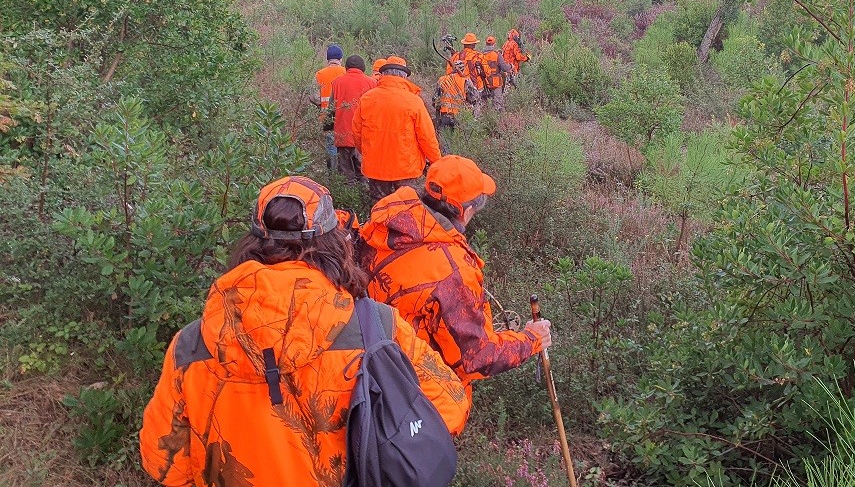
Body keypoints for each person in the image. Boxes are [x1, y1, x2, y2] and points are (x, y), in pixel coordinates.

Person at [139, 175, 469, 487]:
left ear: (252, 246)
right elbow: (449, 410)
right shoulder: (377, 330)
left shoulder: (191, 345)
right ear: (335, 245)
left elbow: (162, 461)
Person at [358, 155, 552, 402]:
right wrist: (532, 339)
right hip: (417, 393)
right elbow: (475, 358)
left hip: (372, 366)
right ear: (466, 211)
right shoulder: (453, 271)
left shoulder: (386, 224)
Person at [352, 55, 442, 205]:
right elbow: (427, 137)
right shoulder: (413, 102)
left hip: (376, 168)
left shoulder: (367, 98)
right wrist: (437, 162)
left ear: (383, 75)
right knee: (408, 210)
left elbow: (356, 133)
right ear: (404, 76)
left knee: (379, 208)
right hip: (406, 169)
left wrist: (369, 153)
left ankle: (378, 228)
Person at [330, 54, 376, 183]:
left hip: (342, 133)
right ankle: (364, 198)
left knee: (346, 175)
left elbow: (331, 109)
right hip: (363, 136)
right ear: (363, 68)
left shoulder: (337, 82)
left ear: (346, 67)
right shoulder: (372, 83)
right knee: (364, 173)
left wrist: (328, 127)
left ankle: (347, 198)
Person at [311, 45, 346, 170]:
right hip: (343, 117)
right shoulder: (345, 72)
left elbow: (313, 97)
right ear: (341, 59)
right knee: (344, 149)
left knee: (331, 147)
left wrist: (321, 104)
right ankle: (343, 177)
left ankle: (332, 175)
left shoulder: (320, 74)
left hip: (327, 117)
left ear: (328, 59)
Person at [432, 60, 477, 152]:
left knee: (446, 144)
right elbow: (474, 99)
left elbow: (435, 100)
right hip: (460, 117)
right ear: (463, 69)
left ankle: (447, 159)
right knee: (460, 142)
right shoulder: (466, 80)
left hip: (445, 116)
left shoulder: (442, 79)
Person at [480, 35, 511, 112]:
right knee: (497, 103)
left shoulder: (480, 55)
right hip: (495, 82)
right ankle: (499, 118)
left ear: (486, 44)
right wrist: (511, 66)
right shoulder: (497, 54)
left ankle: (485, 117)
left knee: (485, 103)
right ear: (494, 44)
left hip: (483, 82)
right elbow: (504, 68)